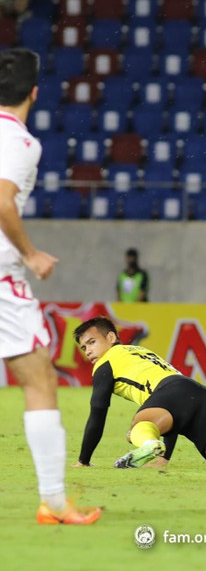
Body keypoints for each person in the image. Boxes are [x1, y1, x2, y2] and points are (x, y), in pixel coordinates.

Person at [0, 48, 101, 525]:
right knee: (40, 380)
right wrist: (31, 254)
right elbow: (2, 201)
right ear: (35, 92)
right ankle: (55, 502)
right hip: (1, 278)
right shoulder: (20, 143)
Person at [73, 316, 206, 469]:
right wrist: (164, 458)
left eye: (92, 342)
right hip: (199, 394)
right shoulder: (141, 351)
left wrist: (84, 459)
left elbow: (98, 413)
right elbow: (170, 412)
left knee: (139, 429)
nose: (89, 351)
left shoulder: (106, 362)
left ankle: (149, 444)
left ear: (111, 338)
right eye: (84, 348)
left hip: (170, 393)